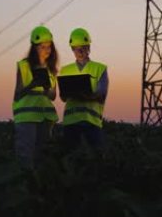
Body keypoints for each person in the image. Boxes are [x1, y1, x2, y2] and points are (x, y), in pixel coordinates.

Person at [12, 25, 59, 169]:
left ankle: (39, 187)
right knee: (25, 156)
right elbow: (17, 94)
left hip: (45, 118)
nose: (46, 50)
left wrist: (46, 89)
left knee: (42, 156)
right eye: (42, 47)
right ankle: (24, 186)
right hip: (27, 118)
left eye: (49, 47)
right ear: (34, 48)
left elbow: (53, 96)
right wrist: (32, 84)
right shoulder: (24, 66)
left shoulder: (51, 69)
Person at [58, 27, 108, 149]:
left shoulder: (99, 68)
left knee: (96, 158)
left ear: (88, 47)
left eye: (83, 47)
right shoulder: (65, 70)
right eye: (76, 48)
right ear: (72, 49)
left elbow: (102, 92)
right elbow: (63, 97)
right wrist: (69, 94)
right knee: (70, 159)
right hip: (71, 122)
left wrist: (88, 96)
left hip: (92, 123)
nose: (80, 51)